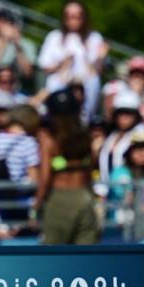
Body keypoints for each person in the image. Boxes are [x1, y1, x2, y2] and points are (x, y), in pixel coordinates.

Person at [34, 104, 97, 245]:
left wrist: (36, 206)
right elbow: (90, 170)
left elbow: (45, 178)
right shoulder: (86, 140)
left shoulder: (50, 141)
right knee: (86, 256)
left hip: (59, 200)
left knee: (53, 256)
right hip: (85, 198)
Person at [38, 0, 108, 122]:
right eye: (69, 16)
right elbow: (45, 65)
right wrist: (63, 65)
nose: (73, 20)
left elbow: (98, 71)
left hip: (85, 85)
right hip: (61, 81)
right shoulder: (55, 37)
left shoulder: (94, 37)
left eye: (77, 16)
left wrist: (100, 57)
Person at [0, 6, 35, 83]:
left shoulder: (27, 44)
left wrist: (16, 43)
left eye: (1, 20)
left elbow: (28, 73)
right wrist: (4, 41)